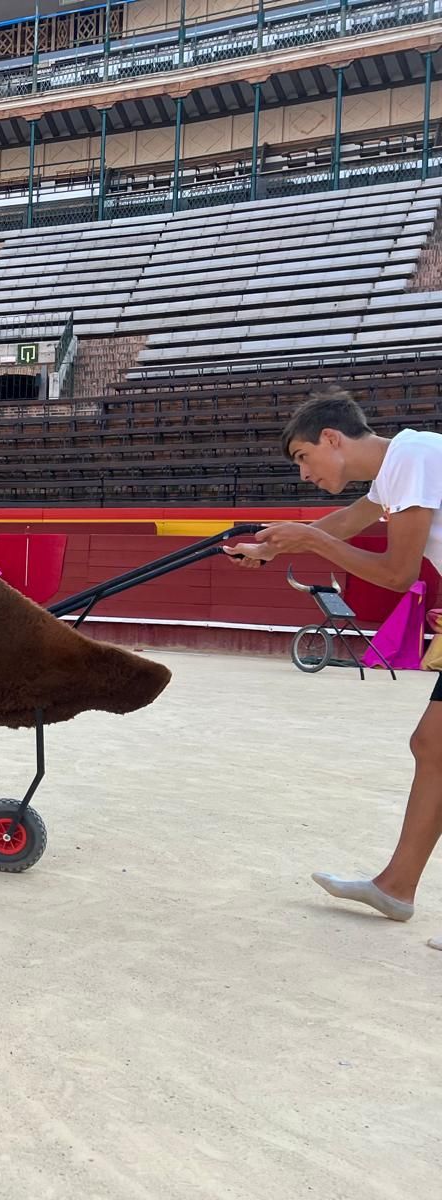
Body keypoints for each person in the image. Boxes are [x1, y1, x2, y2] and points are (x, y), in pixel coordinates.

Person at [225, 387, 442, 949]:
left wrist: (311, 539)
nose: (303, 473)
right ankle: (396, 887)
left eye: (302, 457)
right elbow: (349, 521)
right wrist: (275, 548)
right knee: (433, 747)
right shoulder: (396, 471)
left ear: (331, 438)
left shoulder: (415, 455)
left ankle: (398, 885)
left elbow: (397, 573)